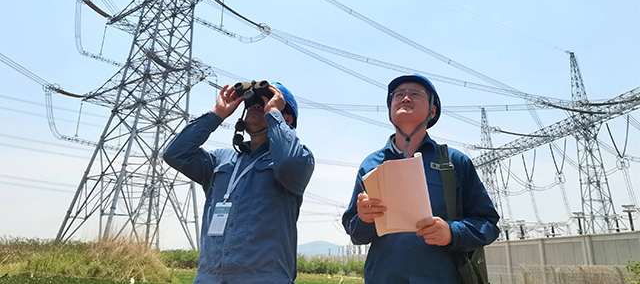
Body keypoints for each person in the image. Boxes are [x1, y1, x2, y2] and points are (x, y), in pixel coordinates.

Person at [342, 74, 500, 284]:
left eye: (415, 94)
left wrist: (452, 232)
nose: (405, 98)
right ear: (390, 110)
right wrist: (364, 218)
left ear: (432, 111)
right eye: (398, 95)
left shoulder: (454, 162)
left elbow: (488, 224)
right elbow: (356, 234)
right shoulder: (370, 164)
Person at [163, 81, 314, 284]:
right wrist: (217, 114)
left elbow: (288, 161)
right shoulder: (220, 160)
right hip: (209, 278)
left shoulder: (299, 159)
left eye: (266, 101)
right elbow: (175, 153)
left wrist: (273, 116)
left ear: (286, 118)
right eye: (252, 102)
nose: (256, 105)